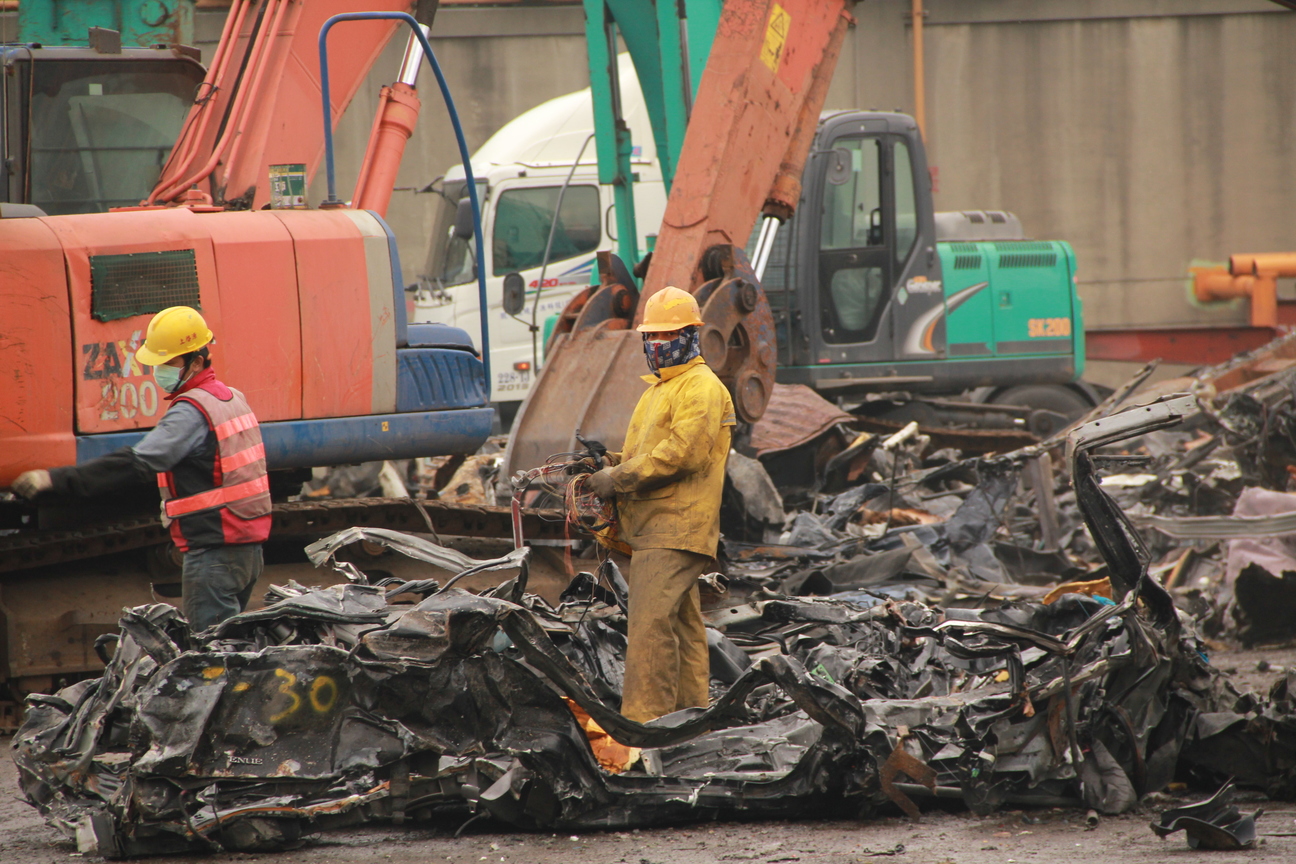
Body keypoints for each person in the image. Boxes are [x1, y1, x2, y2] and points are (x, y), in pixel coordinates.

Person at [12, 306, 271, 631]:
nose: (160, 370)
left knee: (212, 659)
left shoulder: (190, 413)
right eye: (159, 363)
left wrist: (57, 479)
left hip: (214, 553)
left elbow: (139, 463)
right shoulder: (233, 398)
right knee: (230, 648)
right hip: (248, 548)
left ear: (199, 361)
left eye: (169, 362)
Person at [585, 286, 735, 722]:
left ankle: (644, 728)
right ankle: (692, 721)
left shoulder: (700, 387)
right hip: (657, 527)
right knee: (683, 629)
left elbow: (683, 453)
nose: (656, 345)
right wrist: (607, 462)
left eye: (666, 336)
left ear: (691, 336)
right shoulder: (658, 391)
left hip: (674, 528)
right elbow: (648, 452)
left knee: (648, 630)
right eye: (650, 337)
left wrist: (617, 477)